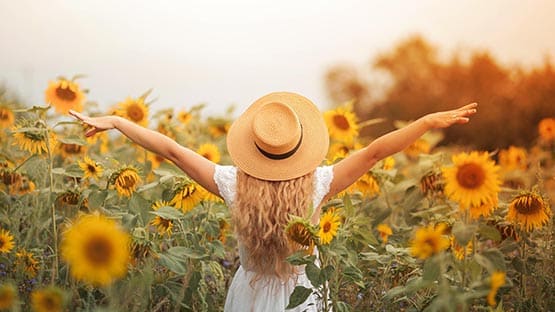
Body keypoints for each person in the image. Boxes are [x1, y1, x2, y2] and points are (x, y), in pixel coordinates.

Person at [69, 92, 477, 311]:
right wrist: (425, 122)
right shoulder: (320, 183)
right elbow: (374, 153)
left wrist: (118, 122)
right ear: (301, 146)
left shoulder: (233, 183)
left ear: (253, 147)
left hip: (247, 297)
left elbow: (173, 151)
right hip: (305, 297)